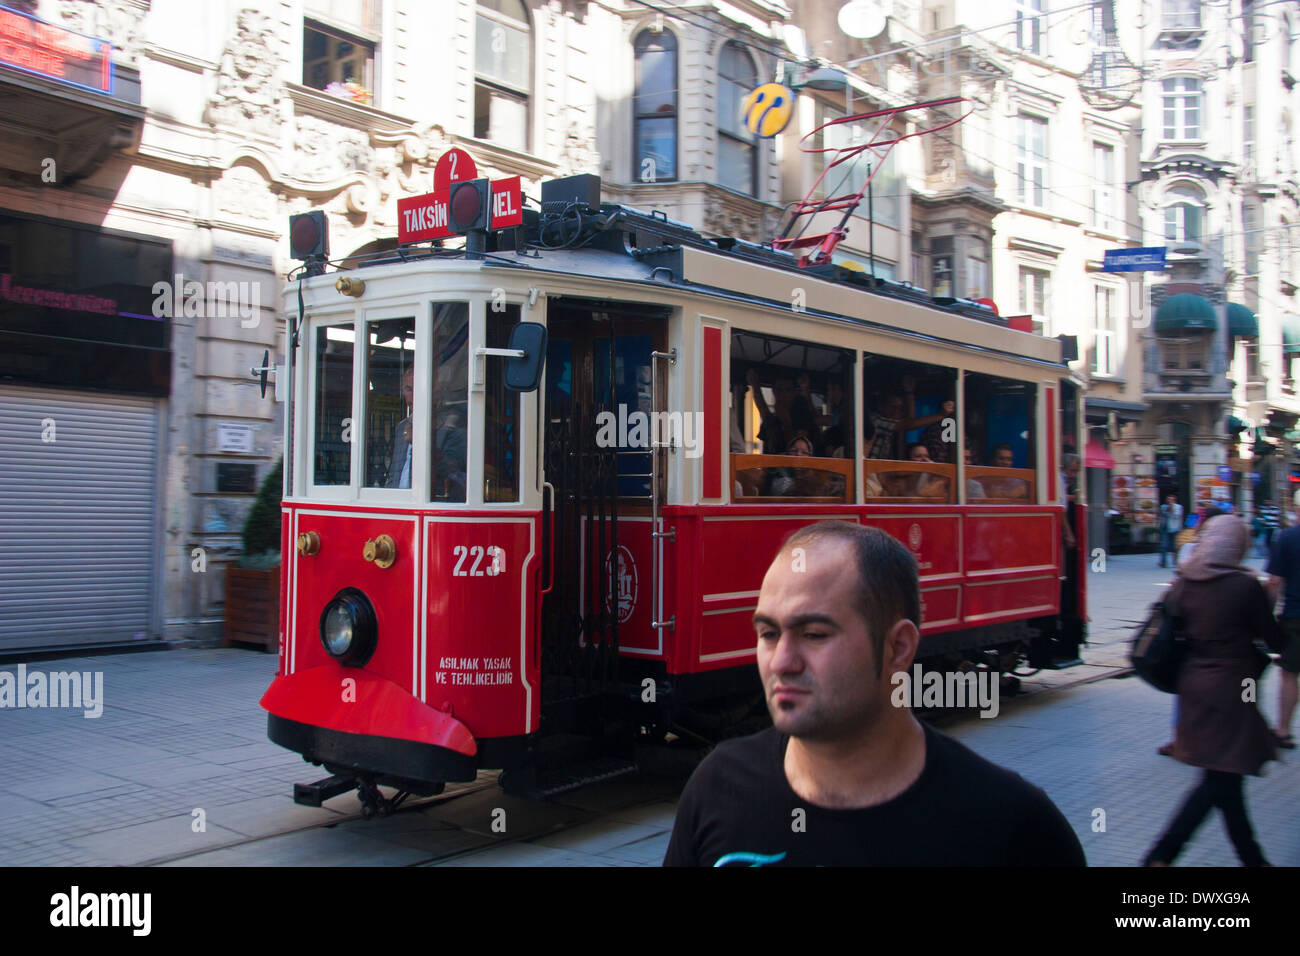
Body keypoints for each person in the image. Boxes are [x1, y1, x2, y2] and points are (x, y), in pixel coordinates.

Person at [664, 521, 1086, 866]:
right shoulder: (717, 787)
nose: (781, 662)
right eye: (768, 633)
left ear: (898, 647)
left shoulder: (1013, 827)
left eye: (813, 634)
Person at [1142, 515, 1285, 867]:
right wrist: (1268, 602)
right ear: (1238, 545)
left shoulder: (1185, 582)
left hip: (1193, 687)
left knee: (1223, 776)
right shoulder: (1244, 586)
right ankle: (1162, 854)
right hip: (1236, 689)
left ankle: (1252, 860)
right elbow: (1271, 638)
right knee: (1222, 776)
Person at [1264, 490, 1300, 750]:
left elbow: (1275, 582)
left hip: (1295, 616)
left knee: (1289, 674)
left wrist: (1265, 618)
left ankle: (1283, 731)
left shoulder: (1287, 538)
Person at [868, 376, 947, 460]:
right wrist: (941, 415)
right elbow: (908, 424)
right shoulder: (875, 420)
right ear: (880, 406)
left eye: (900, 409)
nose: (897, 412)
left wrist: (909, 393)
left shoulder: (891, 424)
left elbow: (909, 420)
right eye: (893, 407)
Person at [385, 367, 416, 488]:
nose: (413, 397)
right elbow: (394, 475)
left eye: (418, 389)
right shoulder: (401, 428)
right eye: (409, 389)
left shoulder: (445, 426)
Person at [1158, 495, 1184, 568]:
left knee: (1174, 546)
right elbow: (1162, 514)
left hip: (1173, 528)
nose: (1170, 501)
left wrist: (1172, 507)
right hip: (1164, 528)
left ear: (1174, 500)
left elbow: (1176, 516)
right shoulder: (1163, 507)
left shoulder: (1178, 507)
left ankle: (1175, 561)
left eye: (1171, 500)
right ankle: (1163, 562)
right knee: (1164, 546)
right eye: (1168, 499)